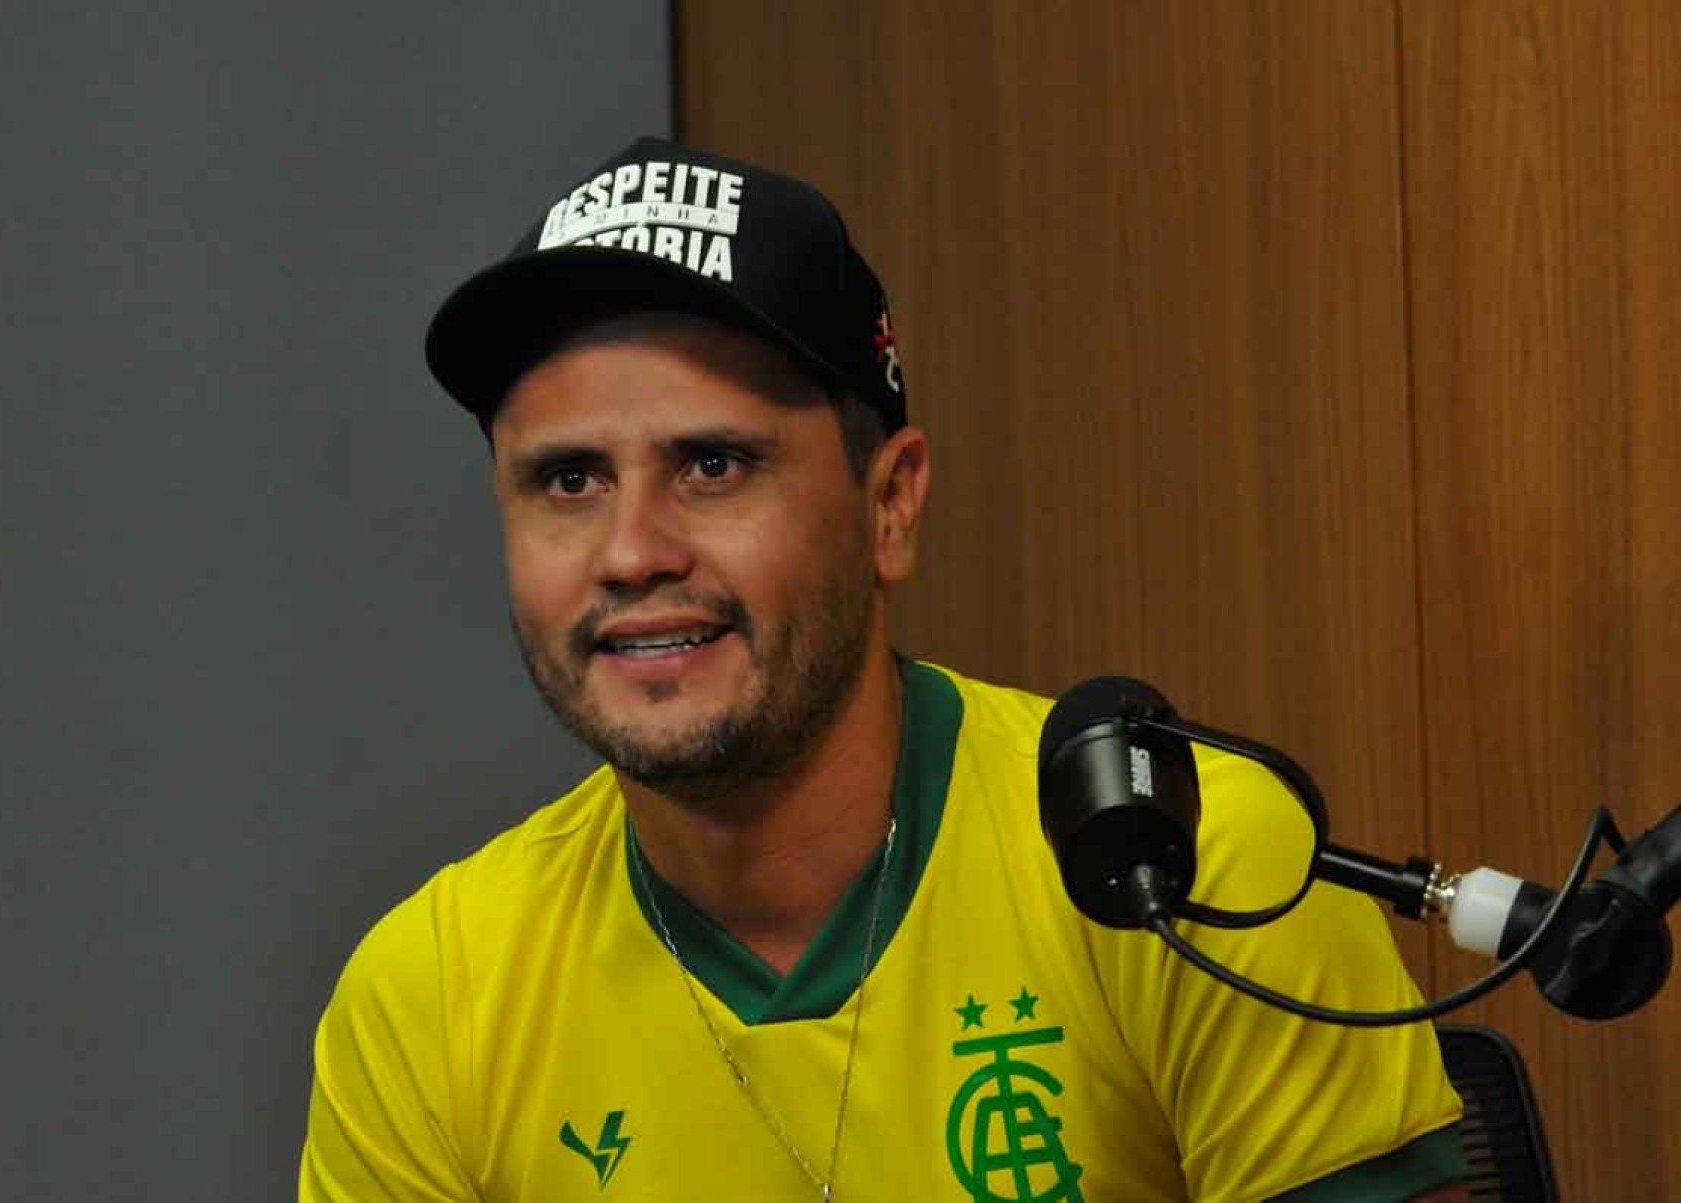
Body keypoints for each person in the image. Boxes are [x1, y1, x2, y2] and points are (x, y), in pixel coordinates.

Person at [300, 136, 1465, 1202]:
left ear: (890, 504)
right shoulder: (431, 996)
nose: (632, 552)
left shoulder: (1183, 863)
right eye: (568, 481)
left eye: (713, 465)